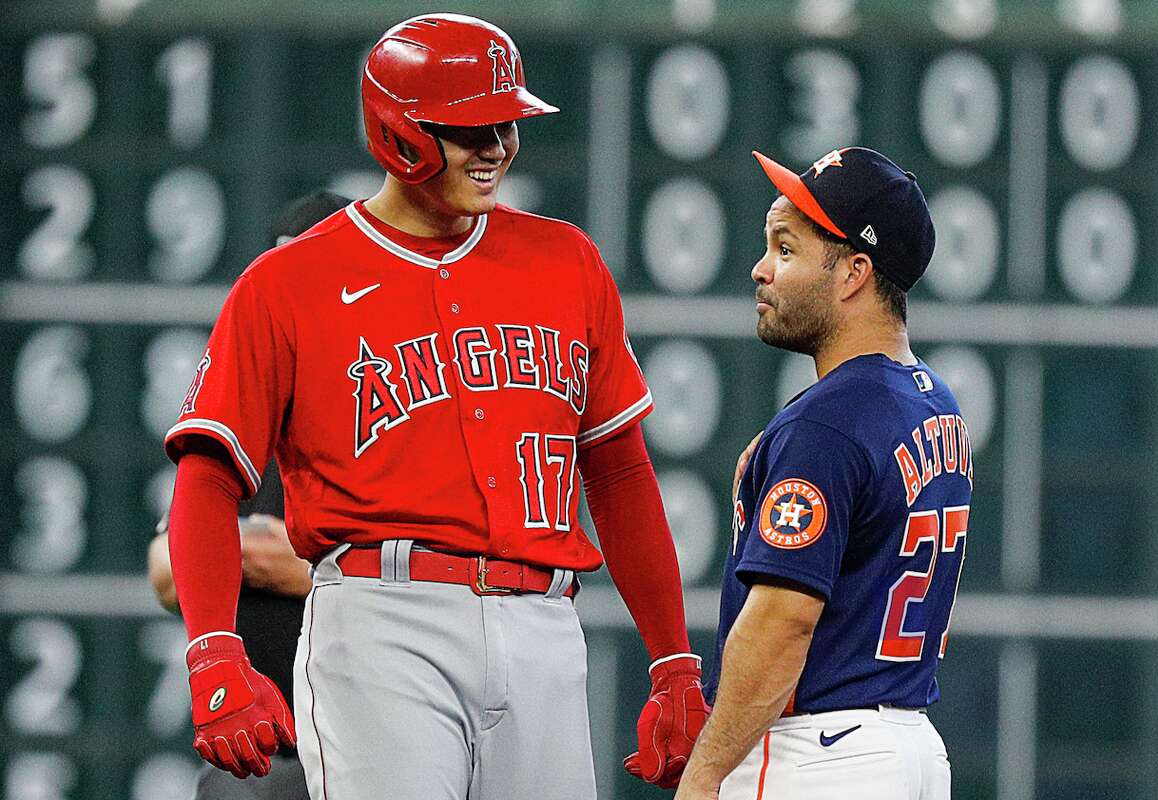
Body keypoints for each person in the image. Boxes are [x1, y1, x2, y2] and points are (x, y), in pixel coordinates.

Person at [162, 13, 707, 800]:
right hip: (385, 622)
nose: (496, 146)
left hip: (544, 626)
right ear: (397, 130)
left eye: (507, 123)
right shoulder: (288, 283)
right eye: (470, 127)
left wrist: (673, 660)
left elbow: (618, 471)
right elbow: (208, 476)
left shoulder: (566, 261)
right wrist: (214, 650)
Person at [673, 147, 972, 800]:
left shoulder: (826, 425)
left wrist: (705, 773)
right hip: (911, 747)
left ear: (852, 274)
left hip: (820, 755)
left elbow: (785, 620)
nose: (760, 269)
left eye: (785, 248)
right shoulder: (935, 403)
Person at [147, 190, 351, 800]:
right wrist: (314, 562)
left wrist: (286, 562)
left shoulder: (396, 401)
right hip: (261, 756)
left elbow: (434, 579)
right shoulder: (248, 413)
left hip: (373, 745)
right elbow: (166, 571)